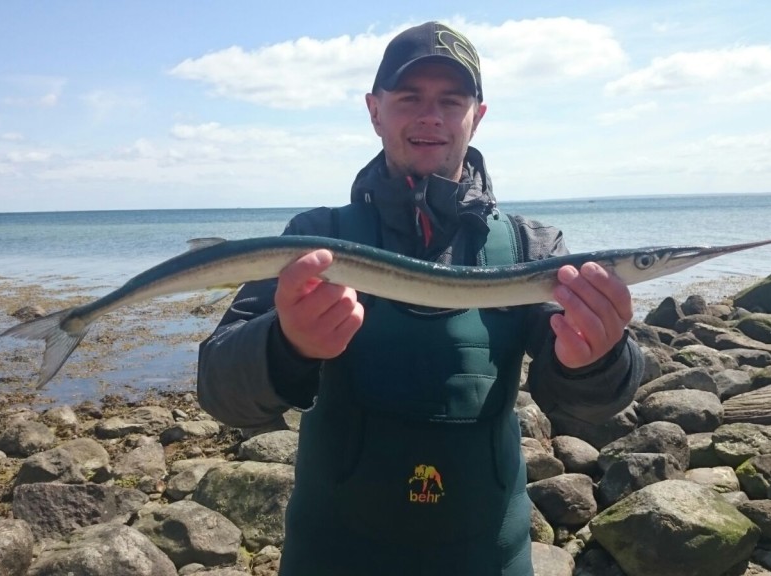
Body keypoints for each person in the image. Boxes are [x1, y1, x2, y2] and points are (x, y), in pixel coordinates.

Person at [197, 21, 643, 576]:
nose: (430, 115)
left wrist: (598, 359)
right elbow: (219, 391)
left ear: (476, 116)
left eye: (450, 101)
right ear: (374, 110)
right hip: (333, 557)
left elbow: (584, 407)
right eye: (409, 98)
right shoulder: (313, 241)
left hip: (489, 558)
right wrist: (283, 345)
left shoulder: (531, 248)